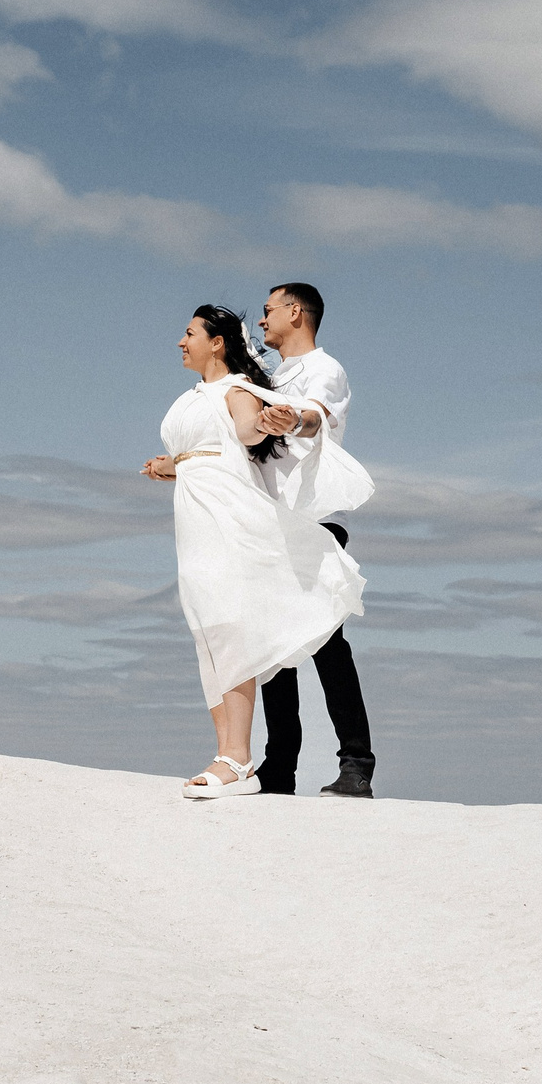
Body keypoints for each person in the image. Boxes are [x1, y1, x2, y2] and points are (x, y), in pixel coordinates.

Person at [143, 305, 365, 800]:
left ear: (217, 342)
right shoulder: (203, 394)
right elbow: (213, 450)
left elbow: (249, 431)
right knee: (212, 627)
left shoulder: (248, 386)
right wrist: (172, 464)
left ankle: (337, 764)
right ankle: (260, 763)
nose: (180, 342)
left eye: (188, 333)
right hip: (199, 514)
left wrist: (271, 422)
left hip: (259, 516)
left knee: (271, 634)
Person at [251, 282, 378, 798]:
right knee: (273, 647)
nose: (262, 322)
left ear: (295, 312)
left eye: (267, 311)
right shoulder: (272, 374)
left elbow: (314, 416)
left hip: (313, 521)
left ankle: (356, 765)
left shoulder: (324, 369)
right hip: (269, 523)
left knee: (326, 642)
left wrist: (292, 416)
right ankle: (279, 766)